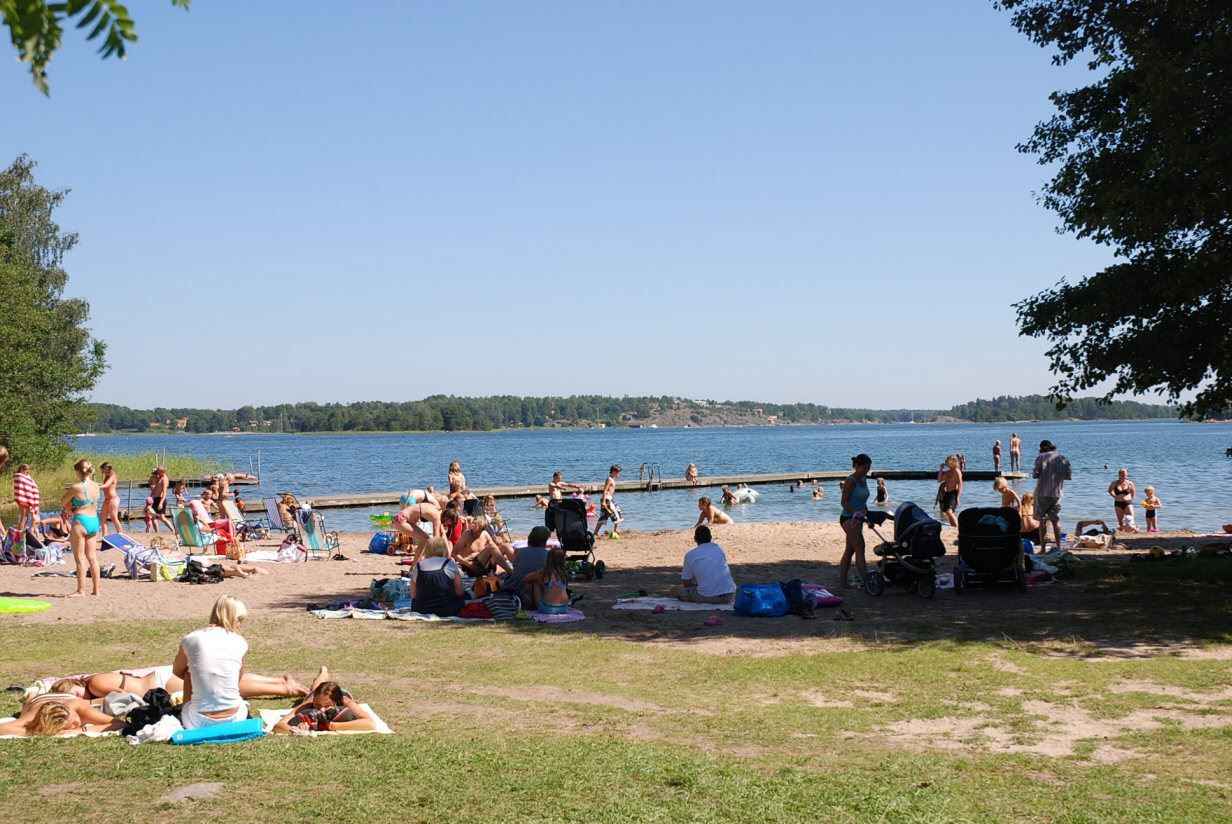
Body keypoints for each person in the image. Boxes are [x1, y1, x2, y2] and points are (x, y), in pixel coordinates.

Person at [172, 595, 251, 730]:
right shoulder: (240, 642)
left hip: (196, 723)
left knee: (188, 671)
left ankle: (196, 708)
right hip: (236, 718)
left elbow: (177, 670)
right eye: (239, 620)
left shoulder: (191, 639)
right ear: (231, 617)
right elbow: (238, 678)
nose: (240, 624)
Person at [52, 664, 309, 701]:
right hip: (159, 677)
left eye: (74, 694)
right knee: (221, 678)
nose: (79, 699)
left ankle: (284, 689)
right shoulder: (96, 679)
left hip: (161, 684)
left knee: (221, 687)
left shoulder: (95, 685)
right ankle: (278, 681)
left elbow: (122, 699)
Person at [272, 672, 376, 734]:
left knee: (321, 687)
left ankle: (323, 673)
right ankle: (322, 672)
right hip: (313, 693)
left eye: (327, 705)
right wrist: (296, 729)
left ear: (337, 703)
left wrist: (332, 726)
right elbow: (279, 725)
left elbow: (370, 723)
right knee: (315, 687)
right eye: (317, 705)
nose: (321, 710)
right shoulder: (309, 702)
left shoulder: (346, 701)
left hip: (342, 692)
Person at [60, 459, 103, 597]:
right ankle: (96, 590)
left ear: (78, 471)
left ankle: (81, 590)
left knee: (80, 558)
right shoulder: (96, 485)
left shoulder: (77, 487)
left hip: (81, 521)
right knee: (93, 557)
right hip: (94, 521)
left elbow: (62, 502)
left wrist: (70, 506)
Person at [670, 525, 737, 603]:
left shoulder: (690, 555)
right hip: (730, 594)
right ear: (710, 537)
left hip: (709, 596)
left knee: (675, 590)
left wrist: (696, 585)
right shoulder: (718, 549)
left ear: (695, 539)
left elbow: (686, 584)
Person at [838, 454, 873, 589]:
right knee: (860, 547)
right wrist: (856, 512)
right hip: (848, 518)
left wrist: (868, 515)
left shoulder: (863, 479)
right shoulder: (850, 481)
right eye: (864, 468)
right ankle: (867, 580)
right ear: (857, 466)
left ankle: (843, 582)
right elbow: (844, 502)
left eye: (868, 468)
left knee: (850, 550)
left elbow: (862, 501)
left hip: (859, 518)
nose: (866, 471)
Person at [409, 536, 465, 617]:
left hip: (421, 610)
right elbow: (459, 592)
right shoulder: (449, 564)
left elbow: (413, 595)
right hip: (447, 610)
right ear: (444, 549)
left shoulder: (418, 567)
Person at [499, 525, 551, 609]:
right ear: (544, 542)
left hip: (513, 588)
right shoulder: (548, 555)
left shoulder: (519, 551)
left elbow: (518, 569)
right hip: (533, 591)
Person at [1032, 439, 1071, 547]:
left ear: (1043, 448)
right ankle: (1058, 546)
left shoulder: (1041, 457)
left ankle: (1043, 548)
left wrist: (1043, 473)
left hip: (1042, 493)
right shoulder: (1063, 458)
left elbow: (1035, 475)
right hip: (1057, 493)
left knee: (1042, 522)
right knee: (1055, 521)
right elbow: (1068, 476)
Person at [392, 496, 443, 562]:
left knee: (424, 541)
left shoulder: (432, 507)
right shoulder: (436, 515)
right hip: (401, 520)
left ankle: (415, 565)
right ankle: (418, 563)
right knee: (426, 540)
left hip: (399, 517)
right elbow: (436, 538)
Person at [529, 547, 572, 615]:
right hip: (564, 608)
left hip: (547, 609)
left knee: (535, 583)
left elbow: (526, 578)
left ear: (548, 559)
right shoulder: (564, 574)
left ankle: (532, 605)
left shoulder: (543, 573)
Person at [593, 464, 624, 539]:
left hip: (607, 499)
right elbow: (605, 490)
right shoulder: (609, 479)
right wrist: (604, 501)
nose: (618, 474)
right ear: (613, 472)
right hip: (607, 499)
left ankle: (595, 533)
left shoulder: (612, 479)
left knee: (603, 517)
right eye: (618, 473)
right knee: (618, 513)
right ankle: (616, 529)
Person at [13, 463, 41, 536]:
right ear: (22, 469)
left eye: (29, 469)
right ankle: (19, 535)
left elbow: (30, 486)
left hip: (26, 499)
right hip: (23, 499)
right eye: (26, 469)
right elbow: (22, 486)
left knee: (26, 517)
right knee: (24, 517)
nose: (28, 471)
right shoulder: (19, 476)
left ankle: (22, 534)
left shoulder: (28, 477)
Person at [937, 455, 962, 527]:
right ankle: (954, 526)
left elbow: (960, 484)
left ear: (953, 462)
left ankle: (956, 526)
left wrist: (958, 497)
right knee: (948, 511)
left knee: (949, 511)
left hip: (953, 493)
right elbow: (939, 480)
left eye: (947, 461)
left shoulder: (956, 471)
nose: (946, 463)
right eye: (946, 461)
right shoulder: (948, 472)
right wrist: (941, 469)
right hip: (947, 493)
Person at [98, 461, 123, 537]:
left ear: (106, 468)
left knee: (114, 518)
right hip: (107, 500)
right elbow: (103, 484)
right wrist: (93, 484)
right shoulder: (106, 476)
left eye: (102, 469)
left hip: (113, 499)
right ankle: (104, 537)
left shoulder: (112, 476)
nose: (102, 471)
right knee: (102, 519)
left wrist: (97, 487)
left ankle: (121, 535)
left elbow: (106, 485)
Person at [147, 467, 174, 532]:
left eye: (158, 472)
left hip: (160, 499)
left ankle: (173, 530)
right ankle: (157, 531)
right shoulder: (159, 478)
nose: (157, 473)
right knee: (154, 516)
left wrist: (161, 503)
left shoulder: (164, 479)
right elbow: (152, 482)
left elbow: (165, 492)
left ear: (162, 472)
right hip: (156, 498)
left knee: (161, 517)